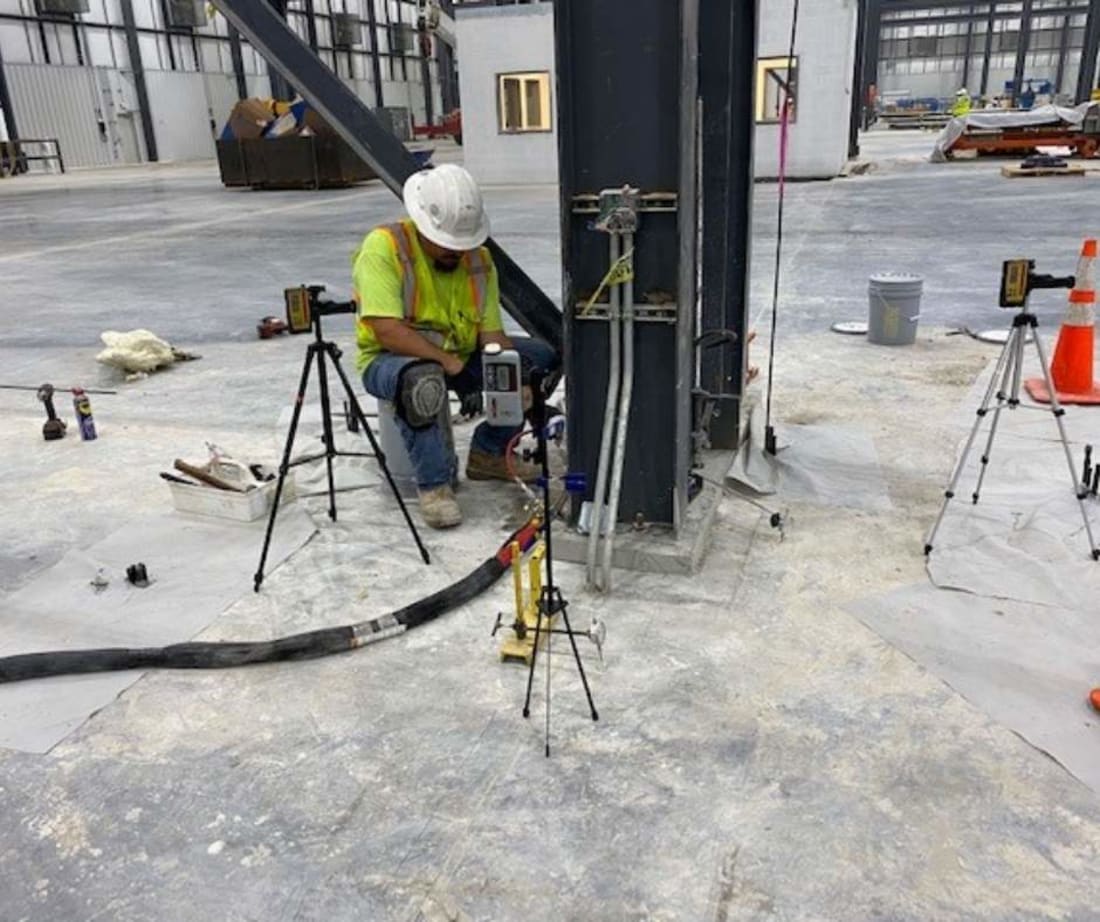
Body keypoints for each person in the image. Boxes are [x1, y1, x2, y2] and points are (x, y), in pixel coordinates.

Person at [353, 163, 557, 529]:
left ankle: (490, 454)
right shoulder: (384, 248)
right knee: (423, 381)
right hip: (391, 362)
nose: (456, 252)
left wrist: (511, 376)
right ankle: (435, 486)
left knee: (535, 359)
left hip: (457, 356)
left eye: (461, 245)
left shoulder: (478, 260)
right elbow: (387, 330)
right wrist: (452, 366)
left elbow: (491, 335)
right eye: (447, 244)